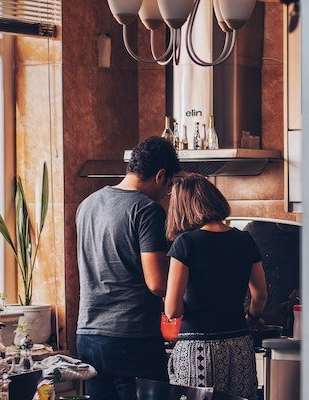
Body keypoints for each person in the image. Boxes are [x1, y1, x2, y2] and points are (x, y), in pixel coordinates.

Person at [75, 136, 180, 400]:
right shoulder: (147, 210)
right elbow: (157, 283)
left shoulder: (87, 205)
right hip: (131, 338)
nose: (165, 193)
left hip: (88, 335)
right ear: (160, 175)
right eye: (168, 186)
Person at [164, 174, 268, 400]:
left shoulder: (186, 243)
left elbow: (172, 309)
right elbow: (260, 295)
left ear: (182, 208)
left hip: (198, 349)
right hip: (239, 344)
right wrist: (251, 317)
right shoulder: (245, 240)